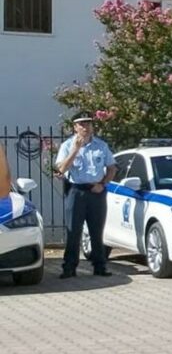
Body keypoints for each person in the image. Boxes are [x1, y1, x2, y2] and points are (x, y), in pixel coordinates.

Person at [54, 114, 116, 278]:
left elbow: (112, 168)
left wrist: (102, 184)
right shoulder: (67, 145)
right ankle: (69, 267)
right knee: (74, 231)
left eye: (88, 124)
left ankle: (99, 266)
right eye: (81, 124)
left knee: (97, 230)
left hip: (96, 191)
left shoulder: (101, 145)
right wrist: (75, 150)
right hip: (77, 191)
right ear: (75, 127)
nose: (85, 127)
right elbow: (61, 169)